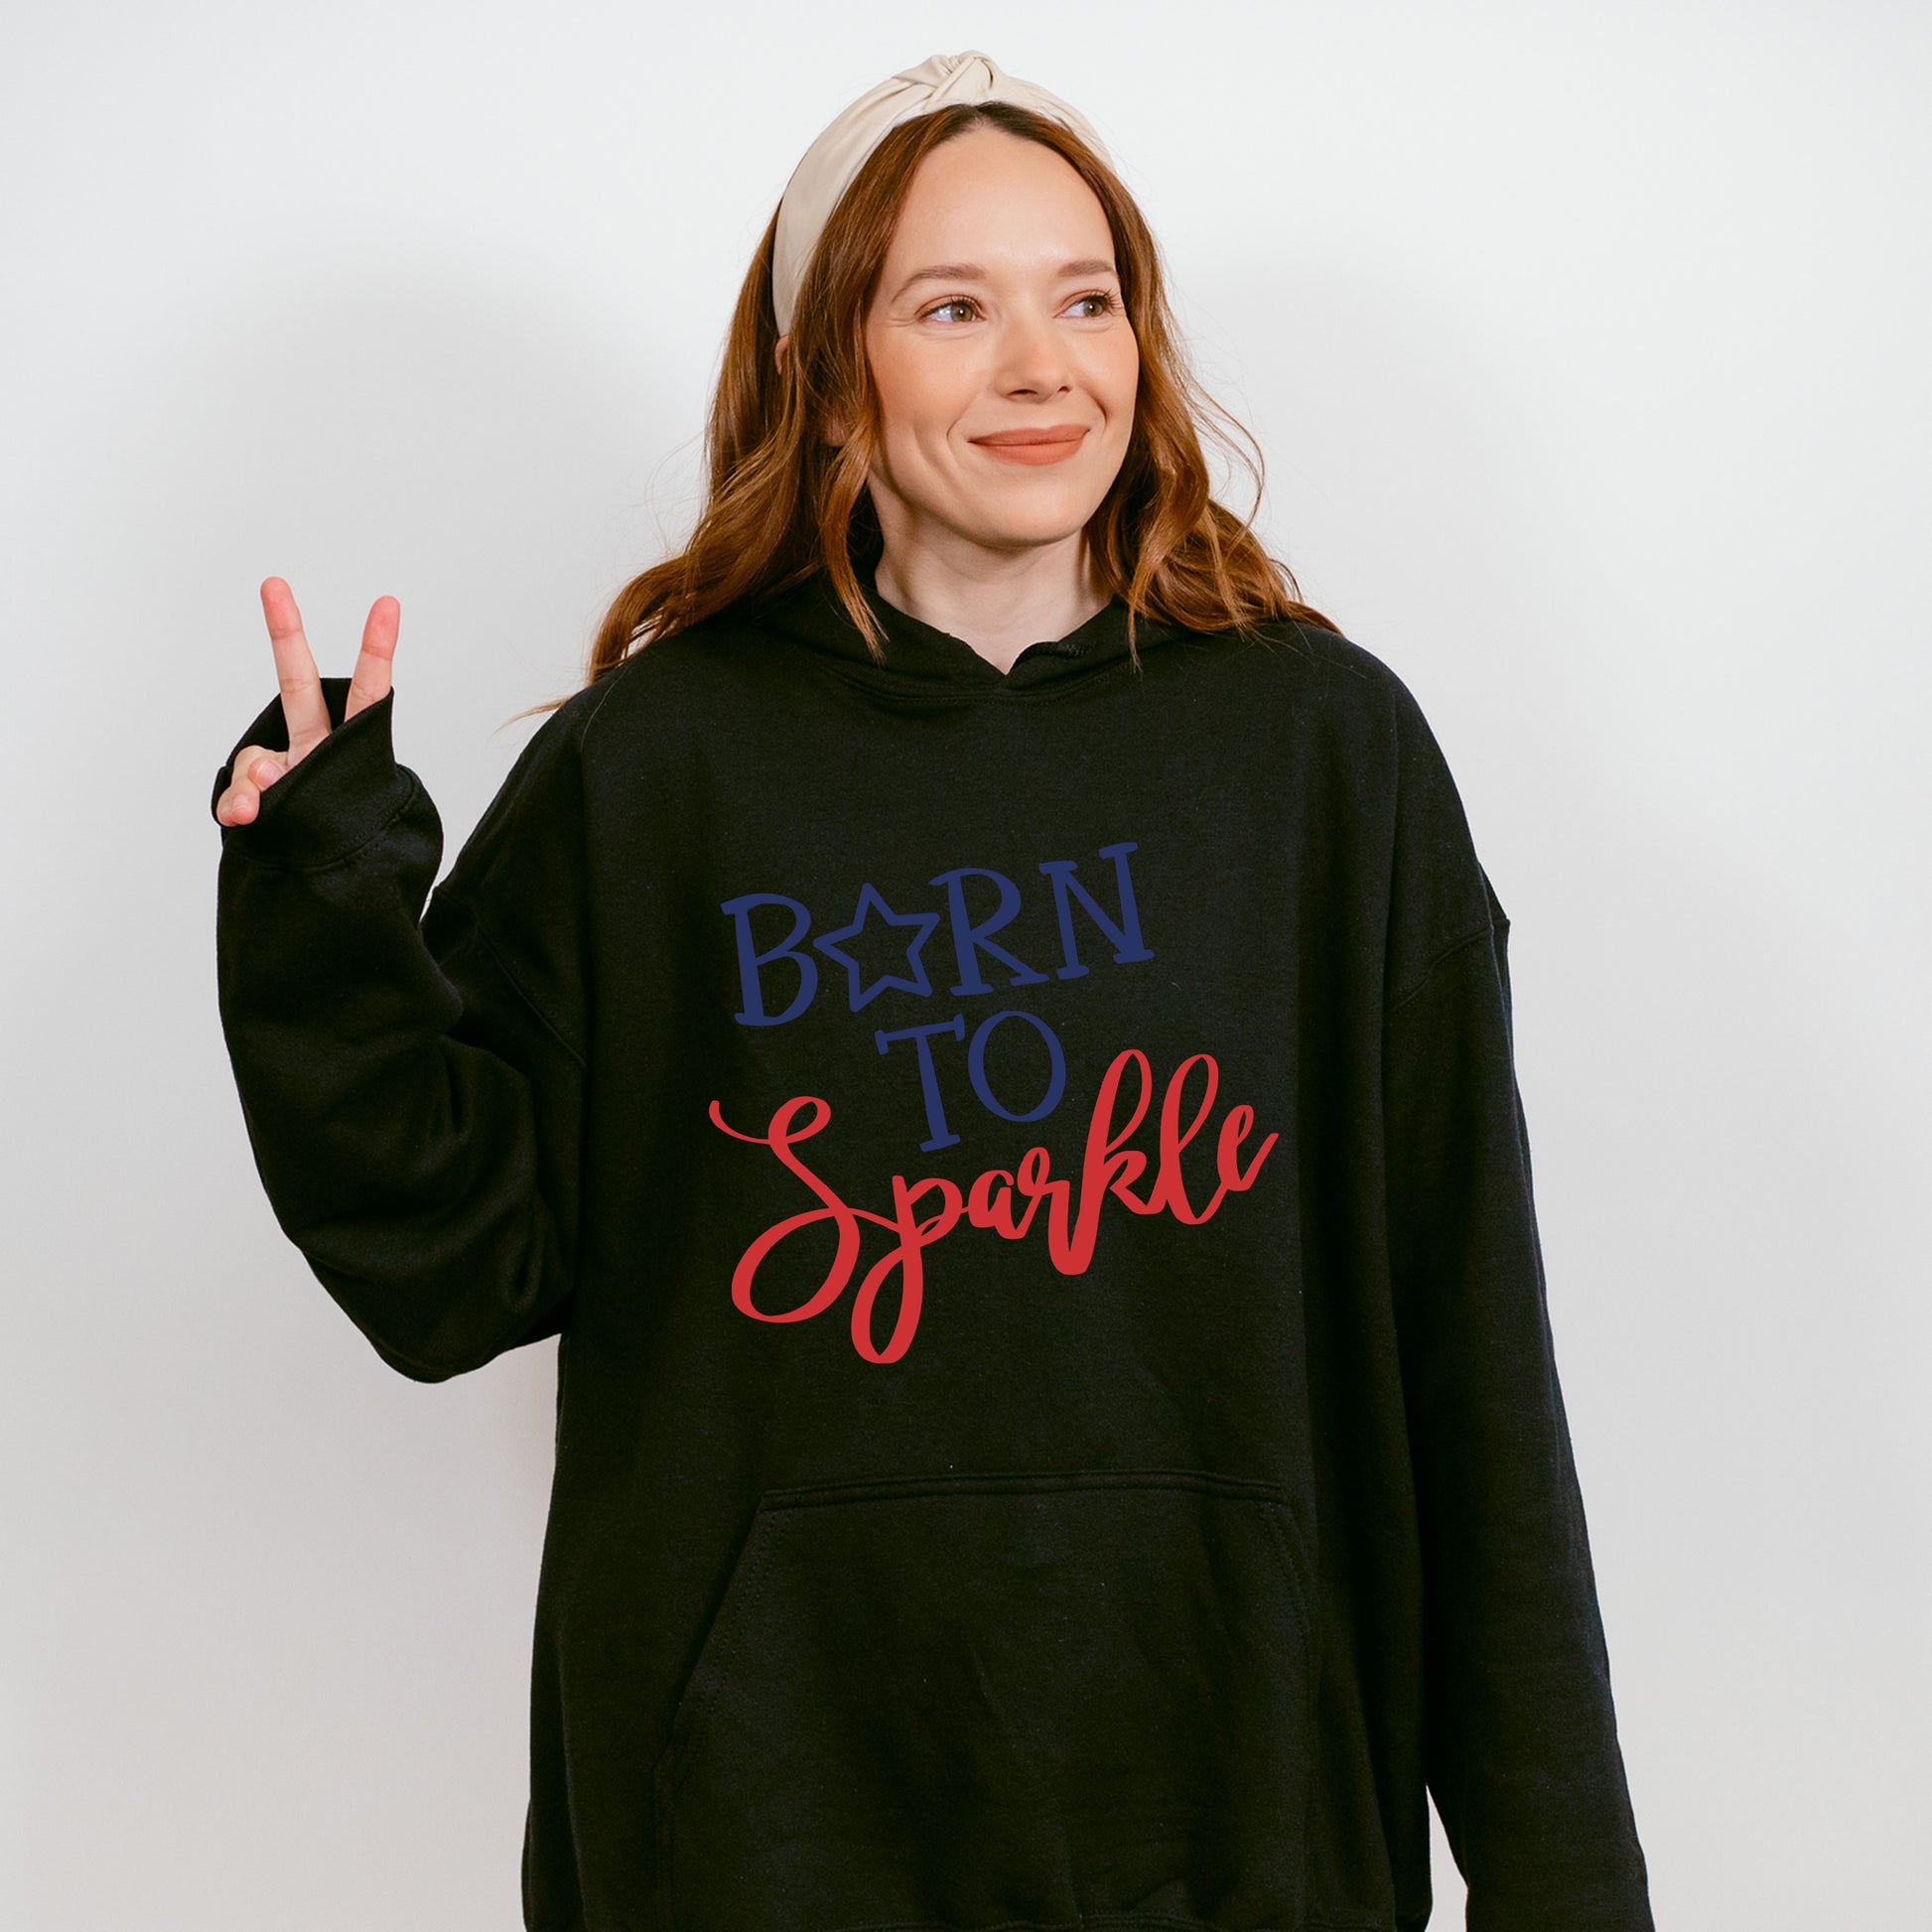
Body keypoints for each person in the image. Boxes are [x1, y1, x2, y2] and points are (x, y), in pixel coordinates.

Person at [210, 50, 1654, 1932]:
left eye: (1087, 299)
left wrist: (1565, 1884)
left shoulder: (1320, 755)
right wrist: (322, 898)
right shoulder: (659, 766)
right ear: (831, 374)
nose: (1044, 367)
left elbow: (1469, 1355)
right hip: (761, 1837)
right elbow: (448, 1266)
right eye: (953, 308)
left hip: (1238, 1817)